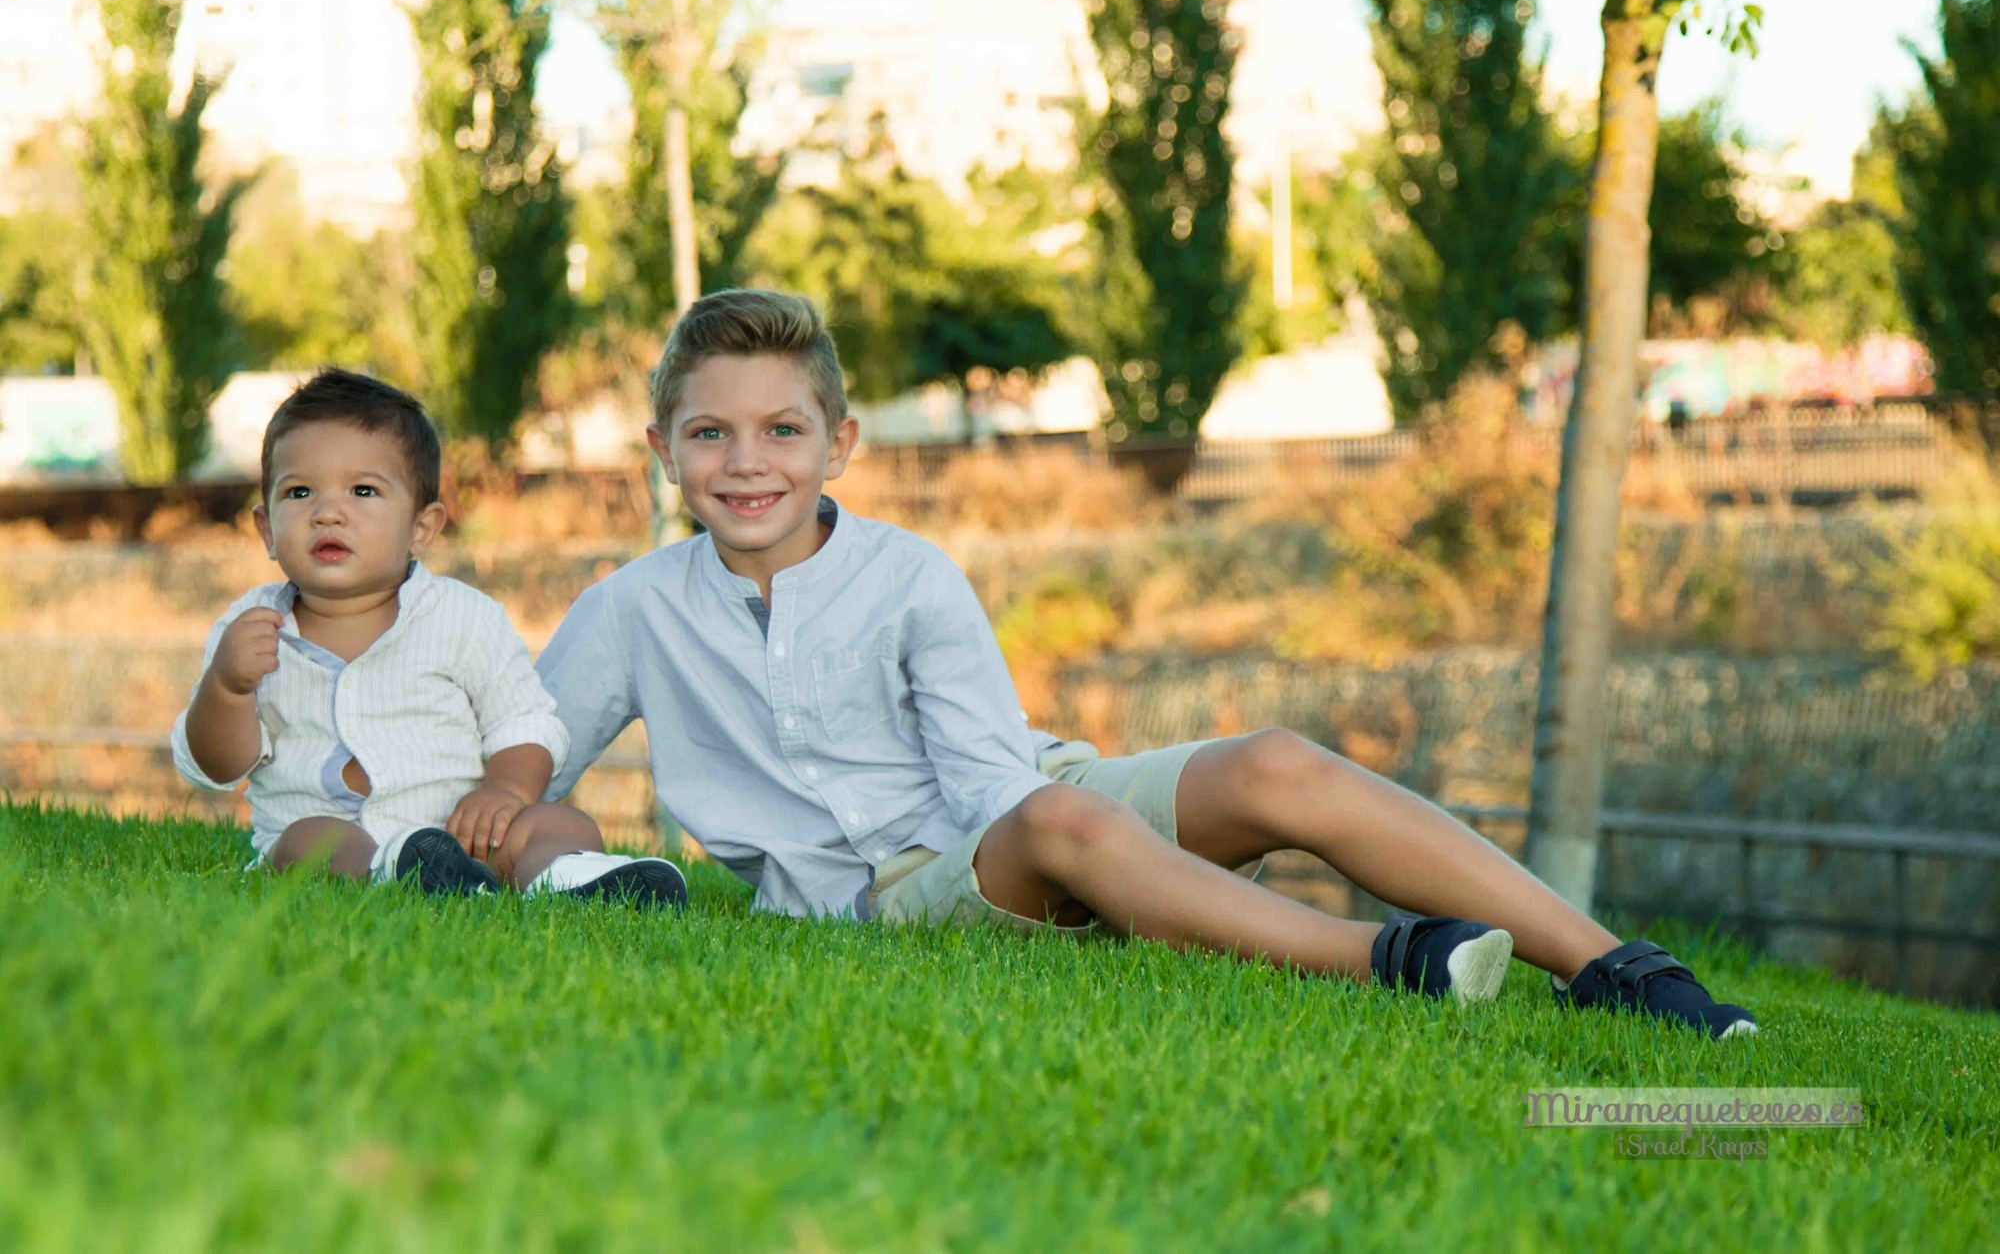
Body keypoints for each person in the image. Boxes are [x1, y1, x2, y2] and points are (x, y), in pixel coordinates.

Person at [533, 290, 1756, 1037]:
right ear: (663, 449)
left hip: (1019, 802)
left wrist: (1127, 856)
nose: (748, 465)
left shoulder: (910, 574)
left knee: (1268, 763)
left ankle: (1615, 967)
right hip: (886, 896)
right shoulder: (632, 609)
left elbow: (991, 777)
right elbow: (523, 753)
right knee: (1068, 830)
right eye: (711, 434)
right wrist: (522, 830)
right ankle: (1392, 961)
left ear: (839, 442)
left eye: (781, 431)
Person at [170, 368, 685, 907]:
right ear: (267, 529)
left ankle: (569, 877)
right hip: (334, 842)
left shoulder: (463, 618)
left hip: (468, 840)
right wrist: (227, 687)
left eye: (363, 490)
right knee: (309, 840)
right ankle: (392, 873)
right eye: (299, 492)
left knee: (558, 821)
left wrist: (504, 792)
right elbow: (217, 768)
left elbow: (525, 724)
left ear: (422, 527)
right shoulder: (249, 629)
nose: (327, 513)